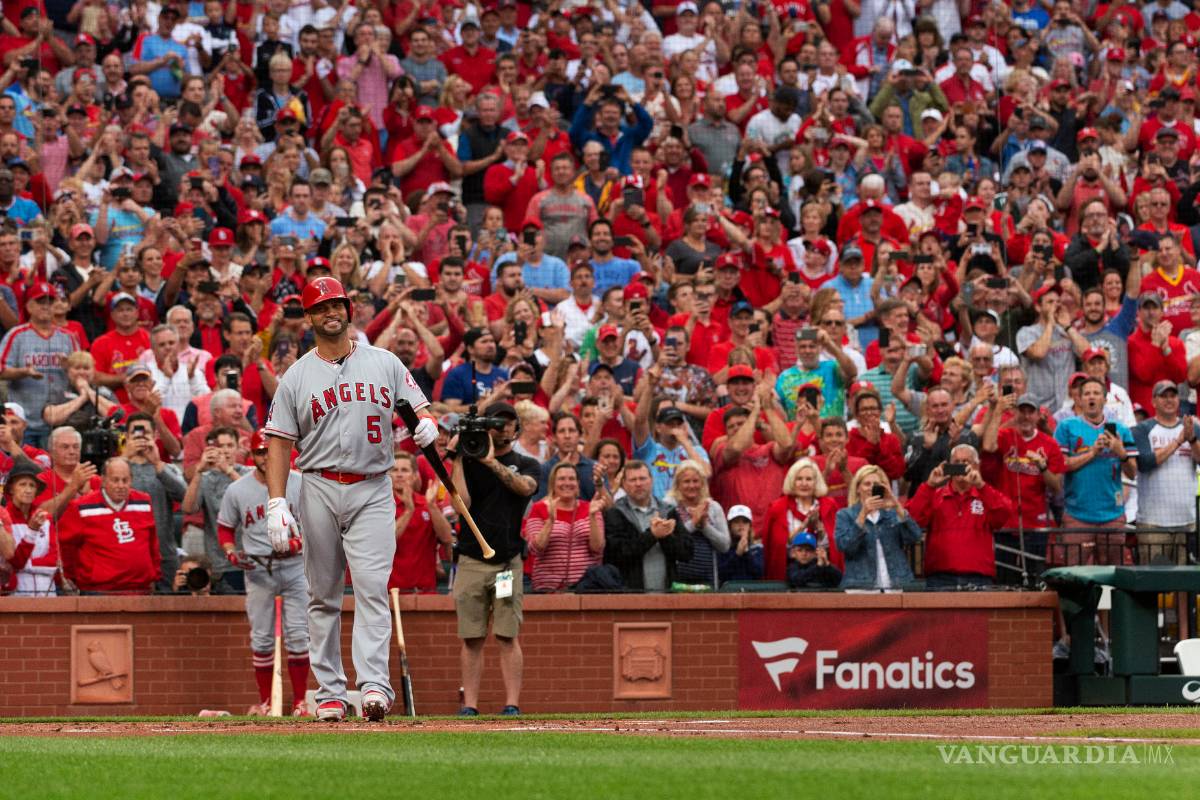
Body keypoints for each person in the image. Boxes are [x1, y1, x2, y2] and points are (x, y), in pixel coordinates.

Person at [264, 276, 439, 723]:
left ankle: (375, 688)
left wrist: (427, 424)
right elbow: (280, 442)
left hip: (373, 485)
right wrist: (277, 502)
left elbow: (419, 409)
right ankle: (329, 694)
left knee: (371, 589)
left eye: (337, 304)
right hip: (318, 483)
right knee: (321, 594)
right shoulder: (296, 376)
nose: (331, 313)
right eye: (321, 307)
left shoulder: (384, 362)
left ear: (350, 307)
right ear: (309, 318)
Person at [449, 400, 538, 717]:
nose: (502, 428)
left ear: (517, 427)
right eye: (495, 422)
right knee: (471, 636)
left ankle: (511, 703)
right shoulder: (470, 463)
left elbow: (525, 488)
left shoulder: (526, 464)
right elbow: (461, 504)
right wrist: (459, 458)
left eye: (507, 422)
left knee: (506, 633)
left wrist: (490, 462)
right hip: (473, 560)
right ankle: (470, 705)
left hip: (506, 564)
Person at [216, 429, 310, 716]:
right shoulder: (238, 489)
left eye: (269, 451)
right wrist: (231, 551)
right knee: (262, 638)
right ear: (251, 455)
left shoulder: (300, 483)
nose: (265, 457)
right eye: (259, 452)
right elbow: (225, 528)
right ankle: (268, 702)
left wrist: (301, 541)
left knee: (298, 635)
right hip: (257, 568)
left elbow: (319, 523)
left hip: (295, 566)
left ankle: (299, 702)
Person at [1054, 377, 1137, 566]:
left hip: (1112, 517)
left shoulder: (1121, 430)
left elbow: (1133, 473)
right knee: (1074, 576)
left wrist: (1120, 451)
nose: (1092, 397)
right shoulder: (1066, 427)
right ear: (1079, 399)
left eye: (1096, 393)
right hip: (1077, 516)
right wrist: (1092, 452)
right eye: (1087, 393)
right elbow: (1061, 465)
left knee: (1114, 577)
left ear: (1105, 399)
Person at [907, 444, 1014, 590]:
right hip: (940, 578)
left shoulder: (986, 494)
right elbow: (912, 519)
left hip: (979, 578)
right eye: (956, 462)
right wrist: (929, 485)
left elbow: (1004, 514)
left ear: (976, 465)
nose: (961, 466)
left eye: (966, 462)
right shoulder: (934, 495)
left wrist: (981, 485)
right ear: (949, 466)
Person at [58, 457, 160, 595]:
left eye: (125, 480)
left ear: (131, 479)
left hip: (140, 588)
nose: (121, 485)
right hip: (98, 590)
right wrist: (76, 578)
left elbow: (152, 542)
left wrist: (154, 574)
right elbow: (66, 546)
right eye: (115, 480)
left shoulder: (144, 502)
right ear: (103, 480)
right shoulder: (81, 507)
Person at [1132, 381, 1200, 566]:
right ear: (1153, 401)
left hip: (1186, 521)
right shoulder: (1142, 429)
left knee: (1185, 588)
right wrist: (1178, 441)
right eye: (1163, 396)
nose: (1169, 400)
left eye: (1173, 396)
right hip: (1153, 523)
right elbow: (1145, 463)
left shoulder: (1192, 428)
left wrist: (1192, 439)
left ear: (1179, 399)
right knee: (1153, 584)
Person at [181, 425, 251, 594]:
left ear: (237, 448)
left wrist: (228, 470)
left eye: (229, 445)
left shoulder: (250, 473)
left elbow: (253, 500)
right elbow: (188, 508)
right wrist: (199, 470)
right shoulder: (205, 478)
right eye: (220, 446)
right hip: (218, 563)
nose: (225, 451)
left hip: (250, 560)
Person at [602, 460, 691, 591]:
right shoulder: (615, 513)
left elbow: (686, 553)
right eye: (633, 480)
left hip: (668, 596)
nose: (638, 484)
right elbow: (616, 554)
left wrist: (666, 537)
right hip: (630, 596)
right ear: (624, 485)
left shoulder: (668, 510)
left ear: (651, 480)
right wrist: (652, 535)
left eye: (642, 478)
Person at [835, 465, 923, 590]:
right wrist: (862, 515)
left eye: (876, 484)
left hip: (896, 584)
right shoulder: (845, 515)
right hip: (860, 586)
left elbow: (915, 536)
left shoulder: (892, 513)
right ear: (858, 488)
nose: (871, 488)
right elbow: (844, 546)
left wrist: (897, 506)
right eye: (867, 484)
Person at [523, 461, 606, 592]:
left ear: (578, 484)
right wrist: (550, 521)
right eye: (561, 479)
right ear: (553, 484)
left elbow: (597, 549)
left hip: (586, 587)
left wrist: (592, 516)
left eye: (572, 479)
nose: (567, 483)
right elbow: (535, 549)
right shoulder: (539, 508)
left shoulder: (591, 507)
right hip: (548, 588)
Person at [764, 458, 840, 581]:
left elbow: (836, 545)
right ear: (792, 482)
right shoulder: (778, 508)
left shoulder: (829, 506)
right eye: (799, 479)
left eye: (809, 479)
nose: (804, 483)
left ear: (816, 482)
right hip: (789, 574)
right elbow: (775, 547)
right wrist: (803, 526)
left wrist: (820, 529)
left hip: (822, 575)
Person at [388, 452, 453, 594]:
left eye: (405, 470)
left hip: (425, 592)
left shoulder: (427, 503)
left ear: (415, 475)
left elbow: (448, 538)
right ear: (388, 476)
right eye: (394, 470)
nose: (399, 475)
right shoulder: (380, 506)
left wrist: (432, 507)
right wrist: (409, 511)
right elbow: (386, 542)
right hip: (391, 594)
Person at [667, 459, 730, 589]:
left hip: (708, 579)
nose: (691, 486)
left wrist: (705, 526)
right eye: (686, 481)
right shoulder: (669, 507)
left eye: (695, 481)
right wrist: (694, 523)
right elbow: (670, 543)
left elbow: (725, 545)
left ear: (702, 483)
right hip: (677, 578)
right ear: (678, 484)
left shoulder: (713, 507)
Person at [2, 462, 54, 596]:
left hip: (47, 592)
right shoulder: (3, 518)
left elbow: (55, 559)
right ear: (11, 489)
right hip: (17, 594)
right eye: (22, 484)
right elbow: (14, 560)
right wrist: (31, 531)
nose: (28, 490)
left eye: (32, 485)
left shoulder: (45, 518)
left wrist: (26, 565)